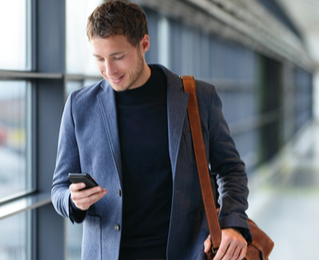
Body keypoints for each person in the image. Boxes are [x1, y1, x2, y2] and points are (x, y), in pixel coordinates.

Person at [51, 1, 251, 260]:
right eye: (99, 59)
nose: (109, 71)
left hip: (188, 254)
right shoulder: (80, 107)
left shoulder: (198, 98)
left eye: (118, 57)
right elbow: (58, 189)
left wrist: (232, 222)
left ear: (144, 44)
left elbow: (231, 168)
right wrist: (73, 201)